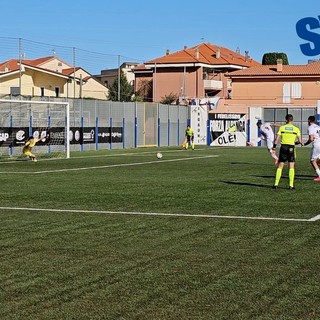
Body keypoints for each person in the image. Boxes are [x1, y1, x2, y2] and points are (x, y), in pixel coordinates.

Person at [272, 114, 303, 190]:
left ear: (286, 120)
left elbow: (277, 139)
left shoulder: (282, 128)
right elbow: (300, 141)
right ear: (292, 120)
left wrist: (274, 147)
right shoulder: (296, 129)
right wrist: (294, 143)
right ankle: (291, 185)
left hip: (283, 147)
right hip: (291, 148)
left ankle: (276, 184)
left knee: (280, 166)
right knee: (291, 167)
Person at [303, 115, 320, 181]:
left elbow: (311, 139)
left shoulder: (310, 127)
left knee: (312, 161)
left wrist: (305, 144)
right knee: (318, 161)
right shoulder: (318, 126)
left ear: (309, 121)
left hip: (317, 145)